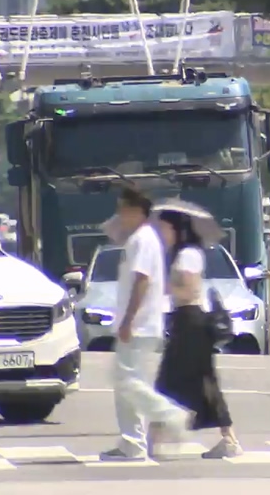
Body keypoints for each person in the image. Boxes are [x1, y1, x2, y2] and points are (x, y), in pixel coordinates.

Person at [101, 186, 190, 461]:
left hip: (138, 326)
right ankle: (133, 444)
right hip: (143, 325)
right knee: (127, 384)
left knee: (127, 382)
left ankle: (170, 415)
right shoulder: (143, 238)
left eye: (123, 209)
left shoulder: (142, 239)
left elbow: (142, 281)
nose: (119, 214)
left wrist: (128, 320)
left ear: (137, 210)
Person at [154, 209, 243, 459]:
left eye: (165, 229)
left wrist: (163, 288)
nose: (162, 234)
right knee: (183, 382)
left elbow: (190, 292)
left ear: (177, 229)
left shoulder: (188, 255)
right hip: (185, 321)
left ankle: (154, 439)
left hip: (192, 322)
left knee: (181, 382)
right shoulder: (180, 255)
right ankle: (156, 438)